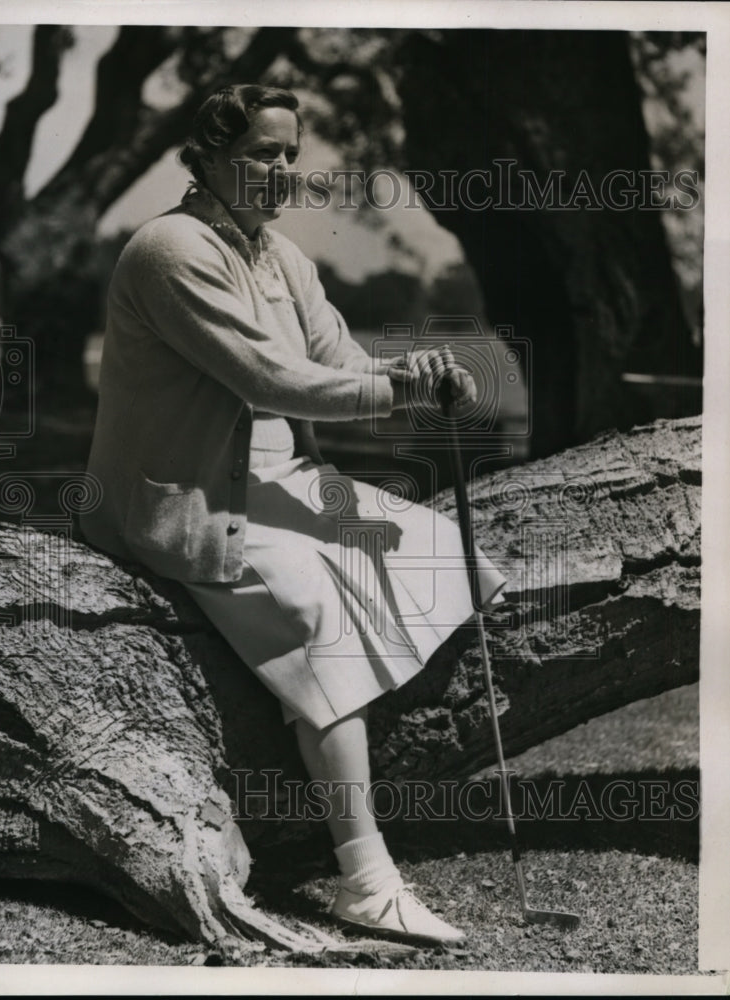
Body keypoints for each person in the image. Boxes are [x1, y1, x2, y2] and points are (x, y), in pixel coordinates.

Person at [80, 84, 506, 945]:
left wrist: (421, 372)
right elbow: (269, 381)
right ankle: (365, 880)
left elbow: (338, 361)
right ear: (205, 156)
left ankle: (346, 763)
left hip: (282, 482)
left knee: (449, 559)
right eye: (262, 155)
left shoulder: (283, 259)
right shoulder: (170, 248)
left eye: (288, 155)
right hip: (188, 502)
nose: (282, 172)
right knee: (323, 628)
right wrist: (395, 383)